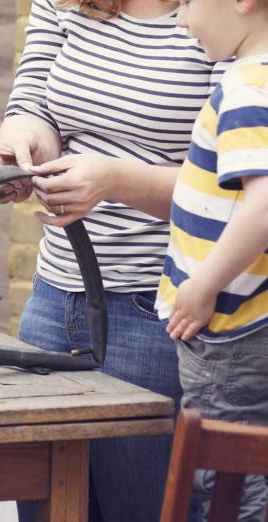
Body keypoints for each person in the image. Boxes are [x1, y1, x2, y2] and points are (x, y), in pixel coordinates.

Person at [0, 0, 225, 520]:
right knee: (48, 506)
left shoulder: (220, 12)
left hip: (158, 311)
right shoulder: (65, 3)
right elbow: (34, 105)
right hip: (52, 298)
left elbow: (234, 190)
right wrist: (23, 148)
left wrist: (115, 179)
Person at [155, 0, 268, 519]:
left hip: (229, 329)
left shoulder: (247, 86)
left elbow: (265, 202)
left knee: (229, 480)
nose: (179, 20)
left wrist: (204, 283)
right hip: (253, 321)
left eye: (189, 3)